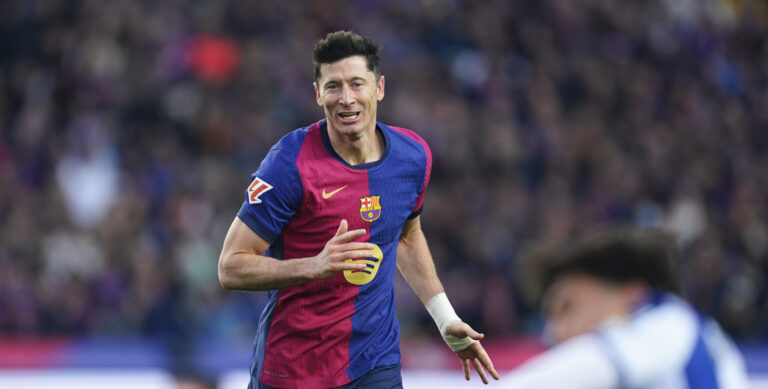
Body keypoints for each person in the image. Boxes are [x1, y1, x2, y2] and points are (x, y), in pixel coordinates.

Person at [217, 31, 498, 389]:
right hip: (293, 369)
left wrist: (445, 319)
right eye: (333, 86)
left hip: (373, 363)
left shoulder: (413, 156)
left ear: (379, 88)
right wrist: (314, 266)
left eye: (356, 84)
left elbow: (408, 237)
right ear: (318, 94)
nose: (346, 99)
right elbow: (230, 266)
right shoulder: (289, 165)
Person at [507, 227, 749, 389]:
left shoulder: (669, 323)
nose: (552, 333)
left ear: (633, 296)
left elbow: (593, 364)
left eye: (568, 307)